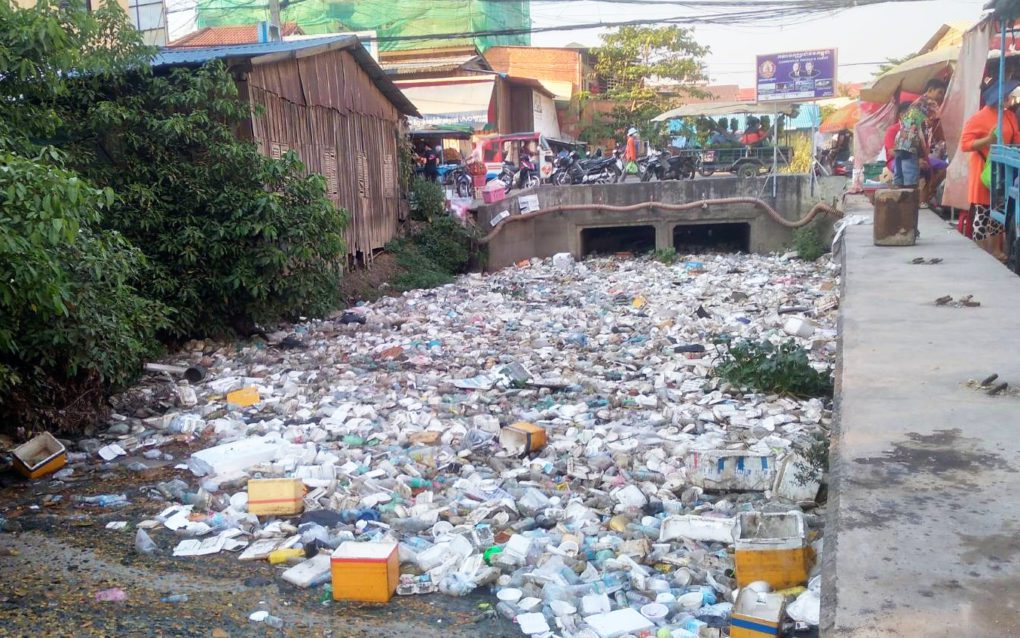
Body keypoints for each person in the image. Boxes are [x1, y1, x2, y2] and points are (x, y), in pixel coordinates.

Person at [960, 79, 1020, 256]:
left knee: (999, 209)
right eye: (1005, 96)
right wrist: (987, 140)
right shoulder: (978, 118)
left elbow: (1016, 138)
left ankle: (996, 250)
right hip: (983, 169)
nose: (1008, 99)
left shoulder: (1008, 115)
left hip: (1003, 170)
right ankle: (981, 251)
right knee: (983, 211)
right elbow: (965, 144)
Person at [893, 78, 948, 189]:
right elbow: (941, 119)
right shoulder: (929, 102)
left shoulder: (917, 102)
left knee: (900, 180)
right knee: (911, 180)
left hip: (900, 141)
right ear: (931, 90)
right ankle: (909, 205)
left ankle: (900, 204)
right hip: (911, 142)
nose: (941, 97)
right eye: (940, 92)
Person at [884, 102, 911, 173]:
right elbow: (892, 152)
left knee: (942, 165)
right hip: (894, 160)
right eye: (912, 114)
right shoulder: (892, 130)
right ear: (902, 115)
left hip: (914, 159)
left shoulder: (916, 130)